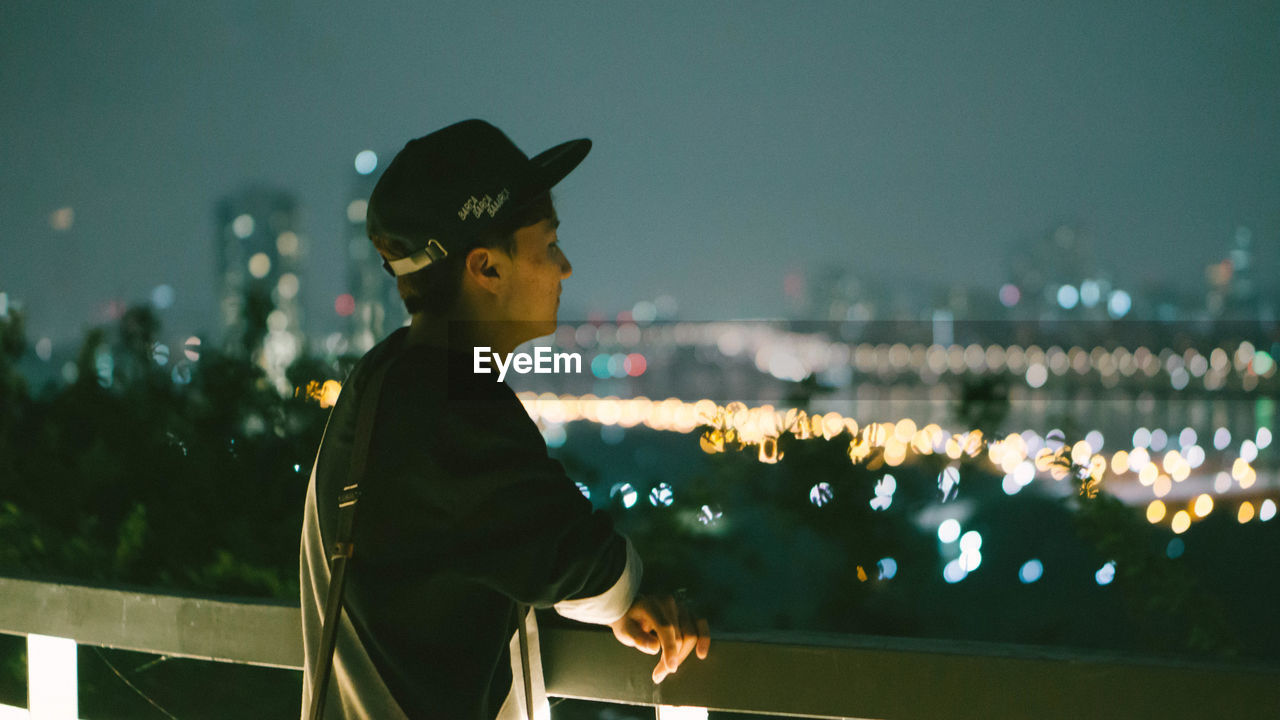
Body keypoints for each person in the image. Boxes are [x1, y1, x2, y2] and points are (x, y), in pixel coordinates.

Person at [300, 119, 710, 719]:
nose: (564, 267)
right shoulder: (451, 400)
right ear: (486, 268)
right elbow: (583, 561)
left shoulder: (385, 375)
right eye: (548, 245)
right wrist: (627, 596)